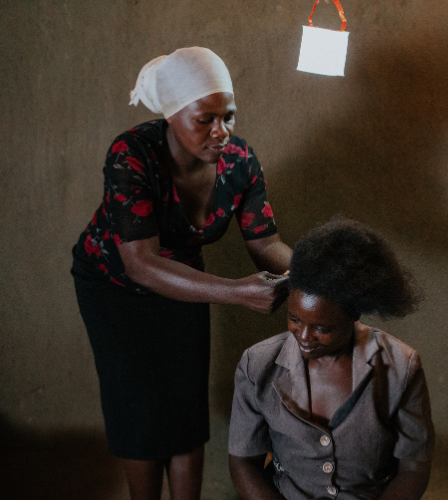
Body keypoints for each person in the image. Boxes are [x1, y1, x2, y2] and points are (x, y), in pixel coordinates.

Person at [71, 46, 291, 500]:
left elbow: (265, 244)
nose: (221, 131)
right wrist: (234, 292)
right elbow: (141, 263)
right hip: (114, 286)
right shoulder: (131, 153)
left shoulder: (239, 161)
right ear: (172, 115)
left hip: (186, 282)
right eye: (205, 119)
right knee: (140, 410)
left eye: (228, 116)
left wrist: (318, 275)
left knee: (185, 407)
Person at [228, 218, 432, 500]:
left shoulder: (400, 368)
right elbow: (243, 462)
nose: (304, 336)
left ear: (354, 314)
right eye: (294, 319)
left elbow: (413, 468)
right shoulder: (257, 365)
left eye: (322, 328)